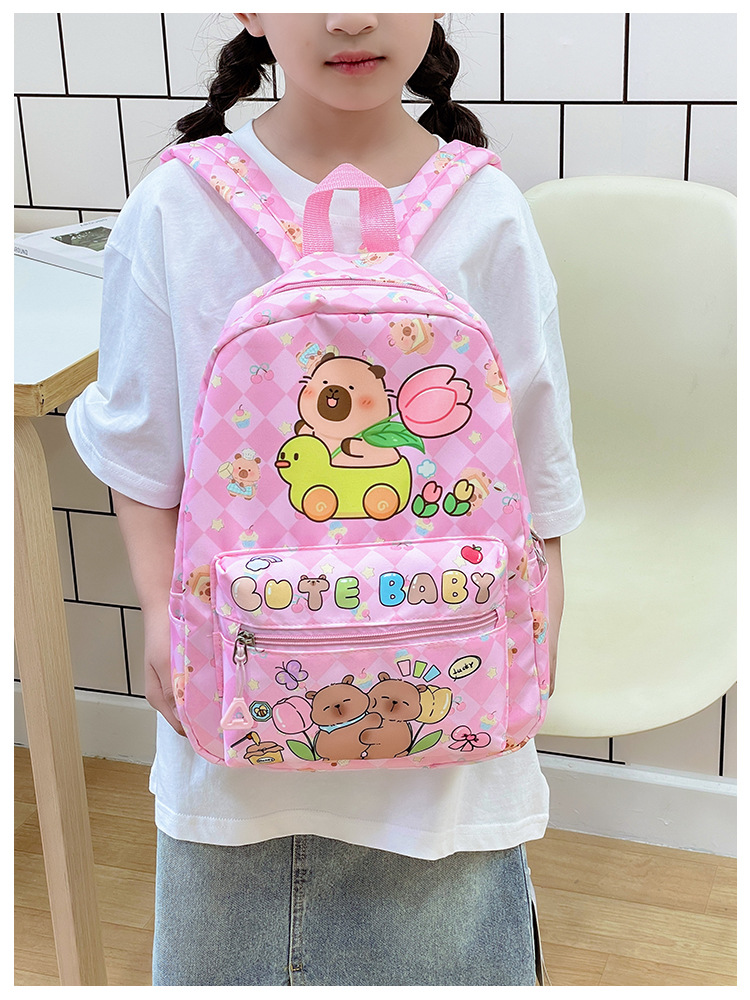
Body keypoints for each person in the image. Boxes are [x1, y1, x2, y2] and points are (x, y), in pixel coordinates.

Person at [66, 13, 584, 987]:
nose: (350, 16)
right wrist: (160, 614)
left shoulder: (487, 207)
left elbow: (538, 464)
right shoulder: (178, 204)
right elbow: (144, 452)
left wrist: (538, 628)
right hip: (234, 747)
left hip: (450, 762)